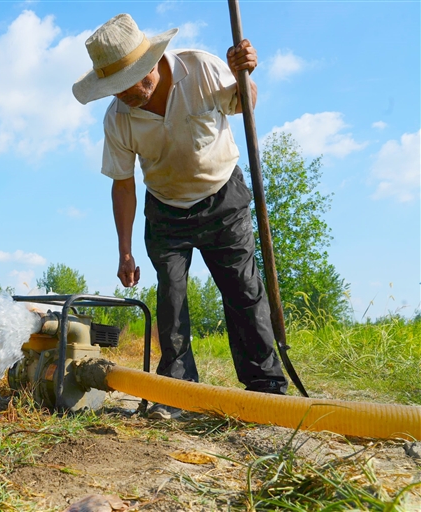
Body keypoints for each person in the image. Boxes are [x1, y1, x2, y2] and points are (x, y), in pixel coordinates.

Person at [72, 14, 288, 420]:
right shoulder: (118, 118)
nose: (121, 96)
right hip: (166, 210)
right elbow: (123, 184)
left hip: (222, 197)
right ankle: (176, 392)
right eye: (112, 90)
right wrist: (124, 250)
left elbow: (243, 103)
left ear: (148, 65)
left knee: (243, 290)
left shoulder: (201, 68)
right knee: (171, 298)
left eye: (126, 85)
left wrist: (246, 75)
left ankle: (266, 389)